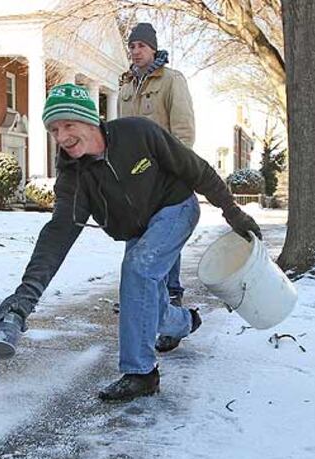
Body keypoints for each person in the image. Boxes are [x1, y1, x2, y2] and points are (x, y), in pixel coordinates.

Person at [0, 83, 261, 402]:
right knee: (143, 298)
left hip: (175, 208)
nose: (61, 137)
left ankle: (141, 373)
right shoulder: (73, 178)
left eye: (68, 125)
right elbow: (57, 235)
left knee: (138, 269)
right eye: (53, 129)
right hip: (137, 230)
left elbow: (196, 170)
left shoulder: (139, 133)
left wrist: (232, 211)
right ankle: (185, 322)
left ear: (90, 120)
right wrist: (24, 298)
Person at [119, 22, 196, 309]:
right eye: (132, 46)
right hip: (134, 177)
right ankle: (135, 295)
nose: (136, 51)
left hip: (164, 174)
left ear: (153, 48)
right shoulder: (126, 85)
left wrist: (176, 168)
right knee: (135, 232)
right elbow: (120, 132)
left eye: (141, 46)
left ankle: (171, 295)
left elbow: (184, 131)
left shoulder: (171, 80)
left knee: (164, 235)